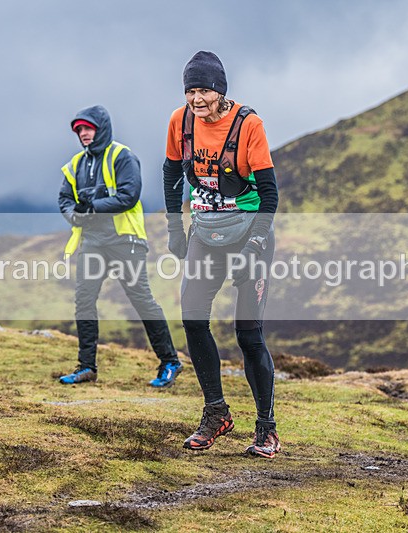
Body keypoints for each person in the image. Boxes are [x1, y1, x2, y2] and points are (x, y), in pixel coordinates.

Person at [163, 51, 281, 458]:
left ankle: (266, 428)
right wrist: (175, 230)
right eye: (191, 90)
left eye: (205, 91)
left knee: (248, 334)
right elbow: (170, 173)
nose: (197, 99)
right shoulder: (180, 122)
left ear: (221, 91)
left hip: (249, 234)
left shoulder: (249, 125)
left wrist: (254, 245)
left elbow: (269, 194)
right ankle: (216, 413)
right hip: (206, 234)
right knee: (192, 319)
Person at [58, 105, 182, 387]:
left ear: (101, 128)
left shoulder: (122, 156)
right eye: (79, 130)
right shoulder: (75, 164)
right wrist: (75, 215)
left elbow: (129, 195)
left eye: (87, 128)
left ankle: (170, 361)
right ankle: (86, 367)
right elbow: (64, 199)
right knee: (84, 300)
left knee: (141, 299)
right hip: (92, 240)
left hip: (125, 240)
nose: (83, 134)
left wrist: (92, 207)